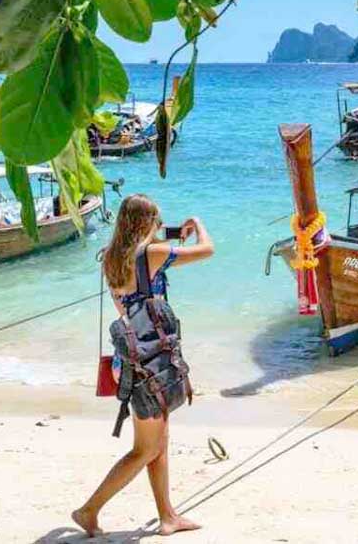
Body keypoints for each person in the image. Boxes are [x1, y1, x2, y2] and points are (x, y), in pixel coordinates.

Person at [72, 194, 214, 537]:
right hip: (150, 363)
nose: (159, 226)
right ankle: (88, 510)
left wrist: (164, 236)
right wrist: (197, 224)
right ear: (147, 222)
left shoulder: (110, 257)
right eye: (157, 220)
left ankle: (168, 516)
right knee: (145, 449)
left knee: (159, 443)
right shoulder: (153, 254)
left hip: (132, 358)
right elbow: (207, 250)